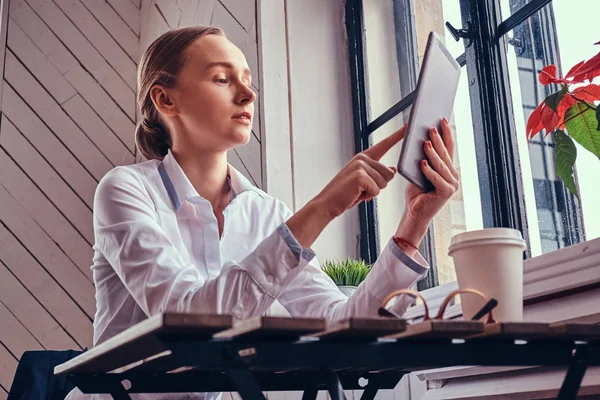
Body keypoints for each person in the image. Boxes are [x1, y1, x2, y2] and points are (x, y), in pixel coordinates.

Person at [66, 26, 460, 400]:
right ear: (165, 100)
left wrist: (414, 222)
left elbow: (342, 326)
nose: (247, 95)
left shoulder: (266, 213)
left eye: (247, 80)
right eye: (222, 79)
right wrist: (321, 209)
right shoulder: (125, 190)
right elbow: (186, 321)